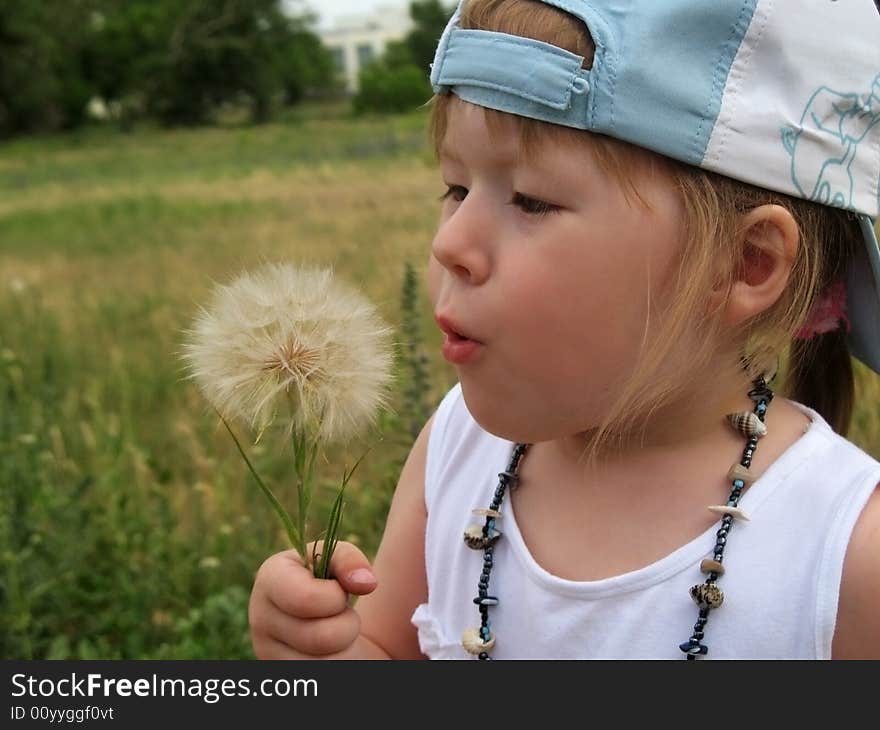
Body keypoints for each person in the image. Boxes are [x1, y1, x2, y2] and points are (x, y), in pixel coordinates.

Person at [248, 0, 880, 659]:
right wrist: (320, 656)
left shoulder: (847, 561)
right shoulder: (457, 444)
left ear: (746, 263)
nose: (451, 243)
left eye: (531, 200)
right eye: (457, 188)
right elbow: (385, 649)